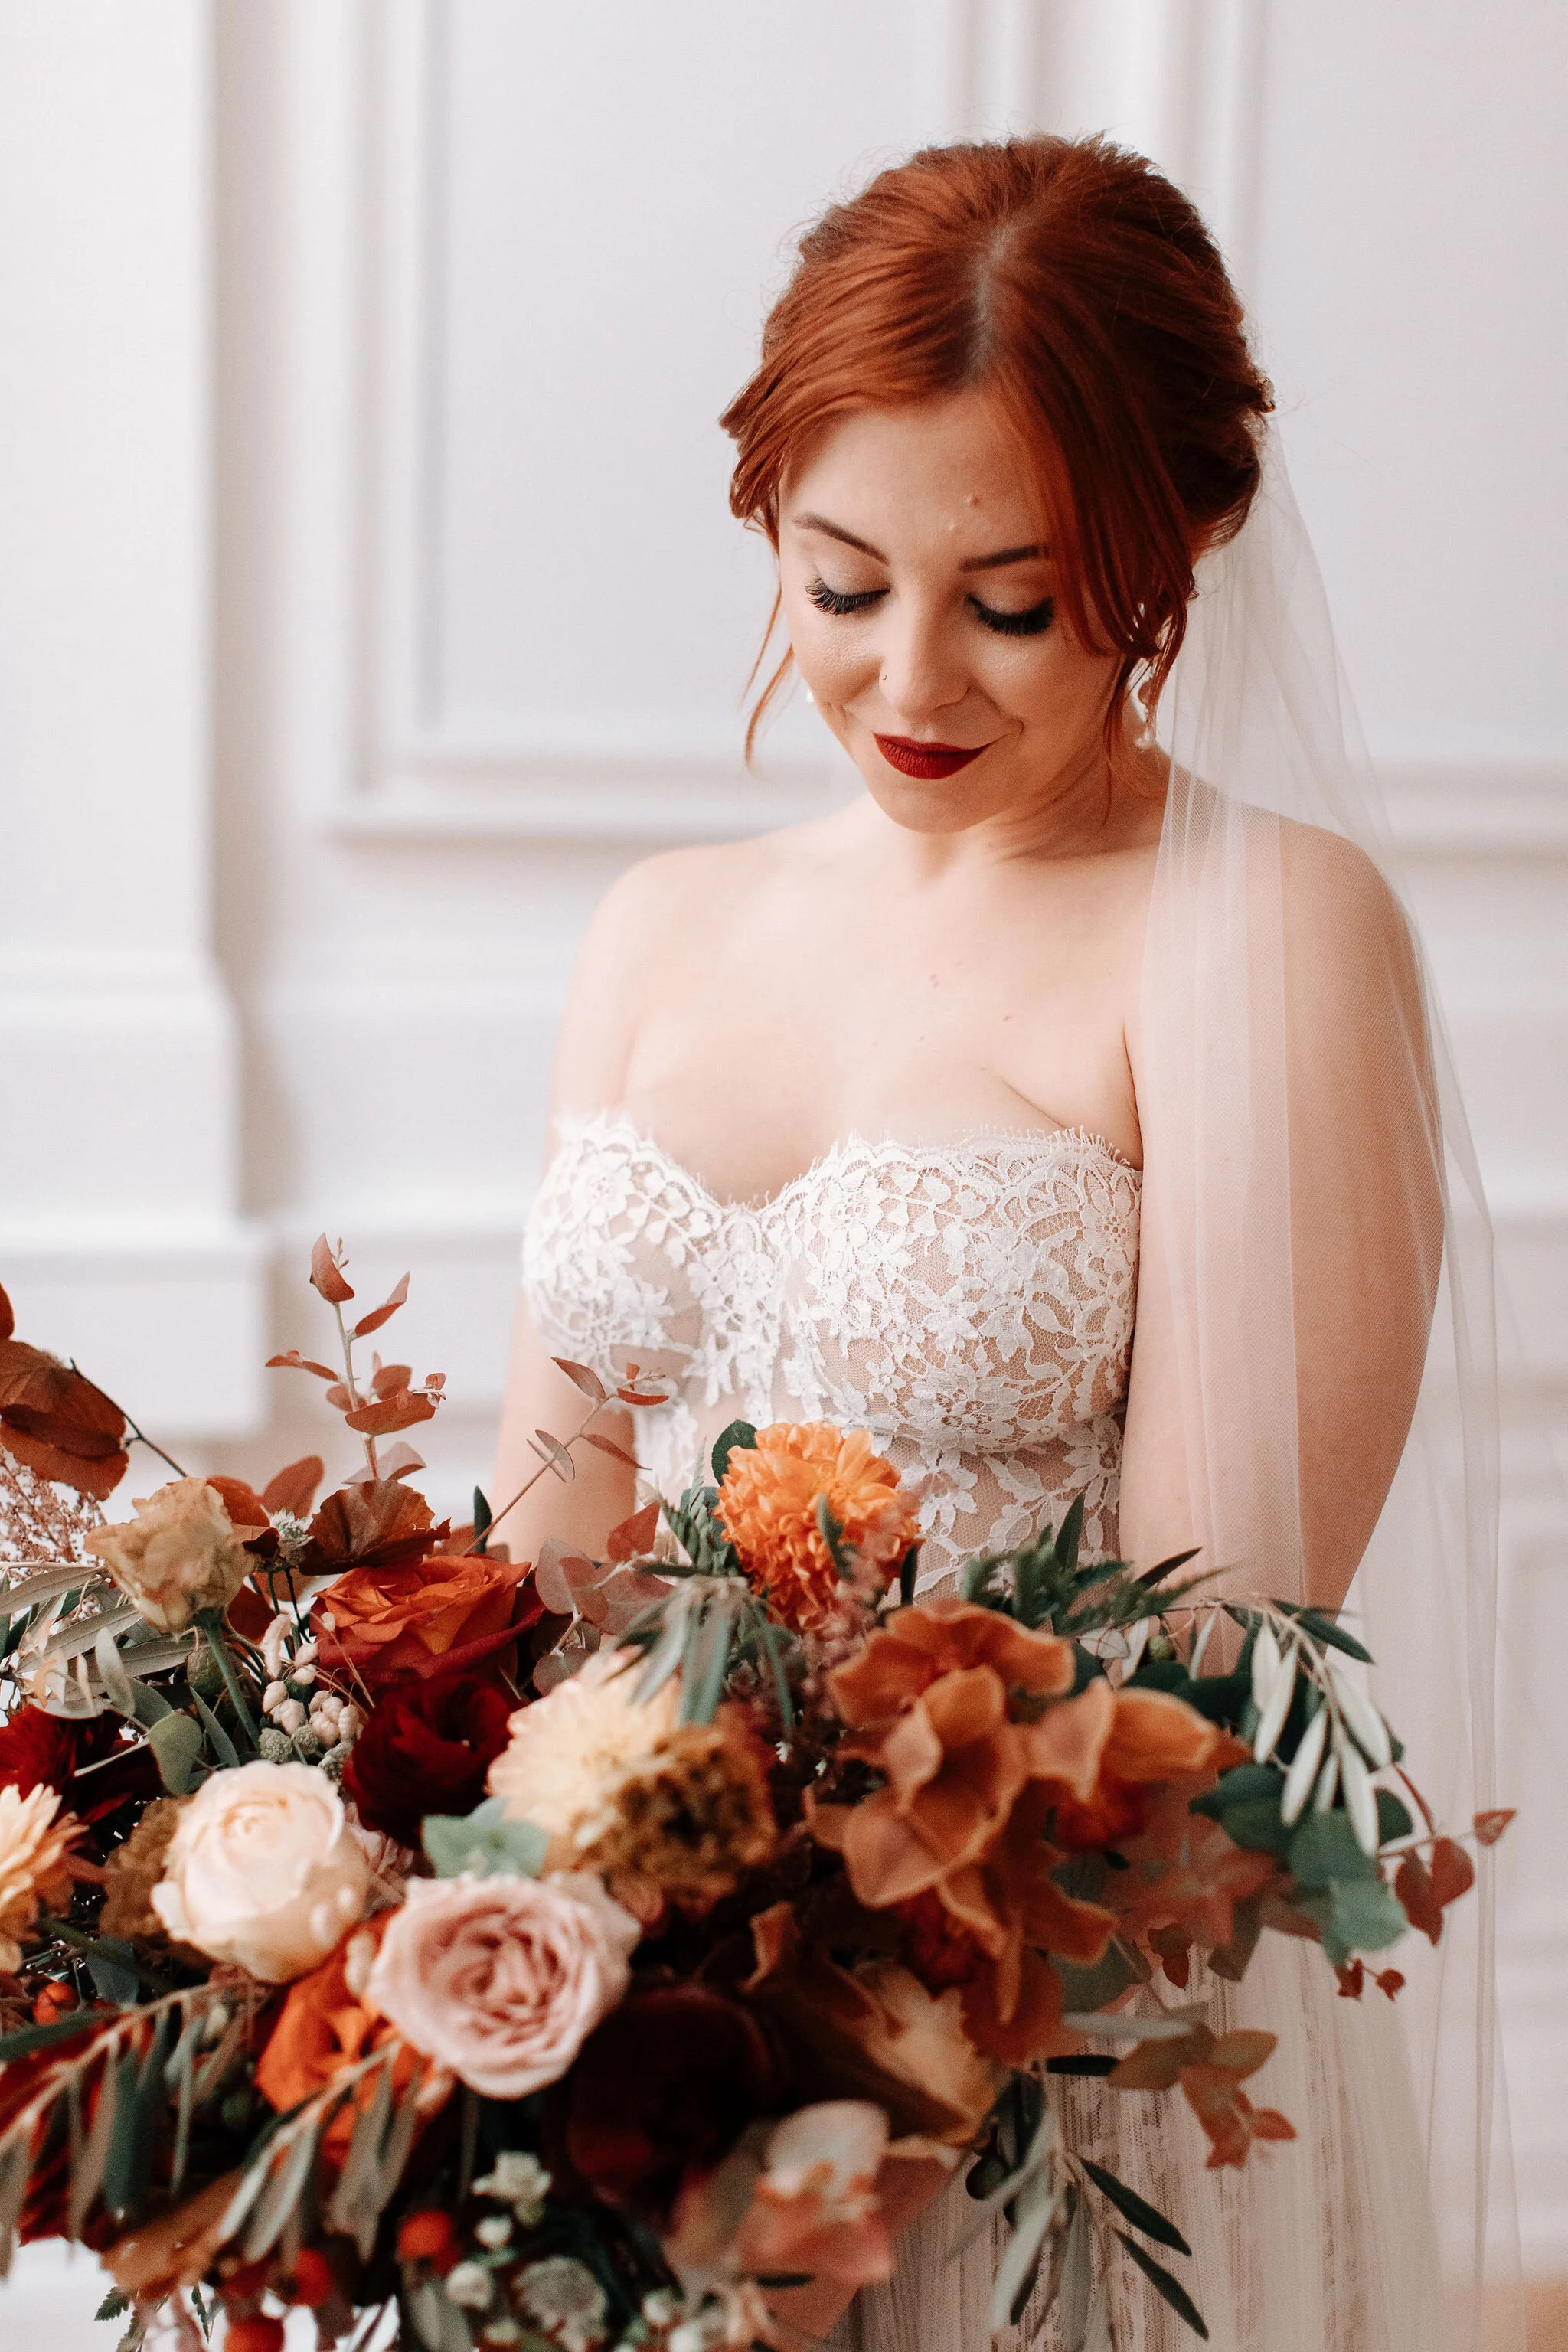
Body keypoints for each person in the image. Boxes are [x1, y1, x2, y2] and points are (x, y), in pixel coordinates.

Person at [495, 137, 1508, 2352]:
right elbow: (542, 1533)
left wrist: (837, 2101)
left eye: (1015, 603)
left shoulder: (1265, 934)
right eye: (842, 583)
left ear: (1178, 550)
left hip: (1052, 2071)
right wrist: (514, 1969)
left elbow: (1204, 1667)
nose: (913, 679)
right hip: (642, 2047)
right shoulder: (658, 927)